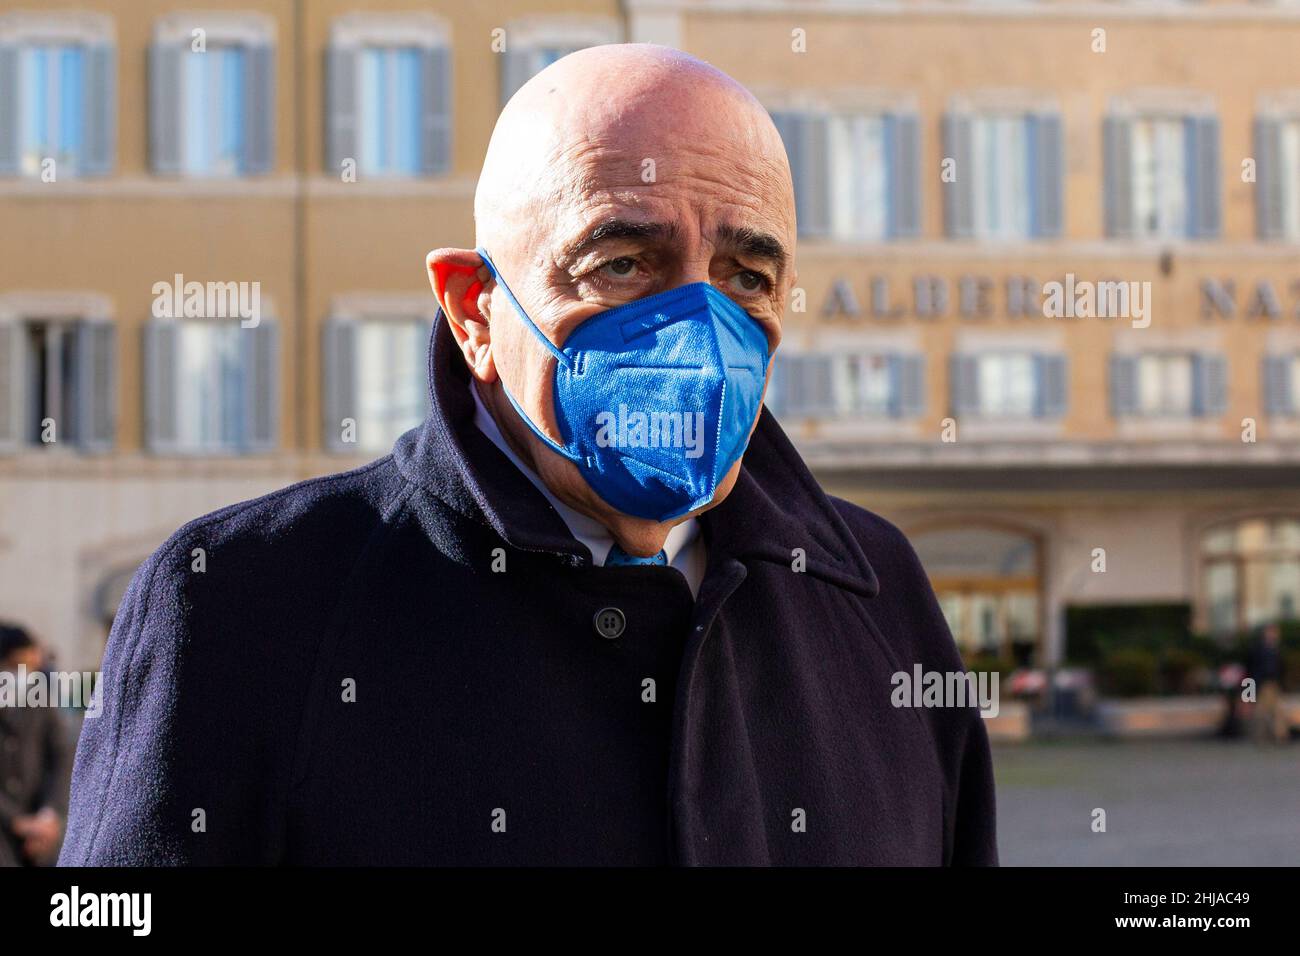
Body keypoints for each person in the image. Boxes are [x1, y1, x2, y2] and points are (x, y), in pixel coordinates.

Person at [60, 44, 996, 866]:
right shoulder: (242, 602)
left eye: (747, 277)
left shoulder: (877, 594)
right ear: (474, 308)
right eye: (623, 263)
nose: (695, 331)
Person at [0, 623, 71, 866]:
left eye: (31, 667)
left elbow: (61, 757)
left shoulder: (39, 704)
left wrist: (48, 816)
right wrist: (17, 822)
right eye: (16, 665)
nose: (24, 674)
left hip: (41, 835)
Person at [1249, 622, 1289, 744]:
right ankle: (1260, 736)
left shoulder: (1275, 649)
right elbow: (1251, 669)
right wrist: (1249, 690)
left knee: (1278, 711)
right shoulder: (1258, 649)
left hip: (1274, 683)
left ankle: (1280, 736)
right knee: (1260, 712)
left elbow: (1281, 668)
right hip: (1262, 684)